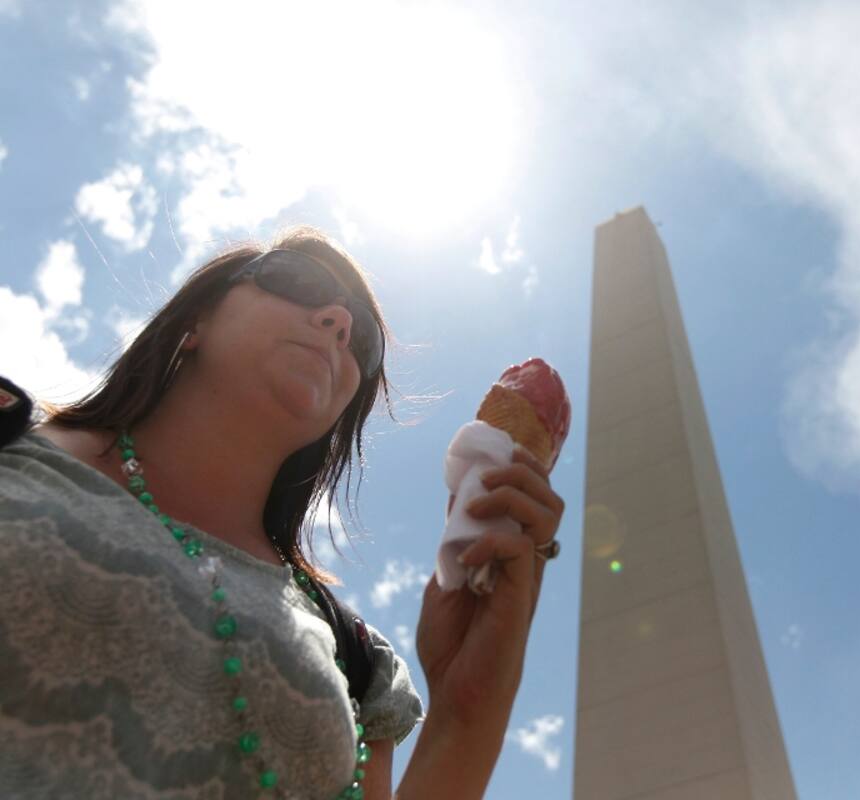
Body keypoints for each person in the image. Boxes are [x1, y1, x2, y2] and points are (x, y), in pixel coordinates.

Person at [0, 226, 565, 799]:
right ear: (195, 319)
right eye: (297, 280)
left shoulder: (357, 661)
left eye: (362, 342)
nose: (339, 324)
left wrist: (468, 709)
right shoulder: (12, 445)